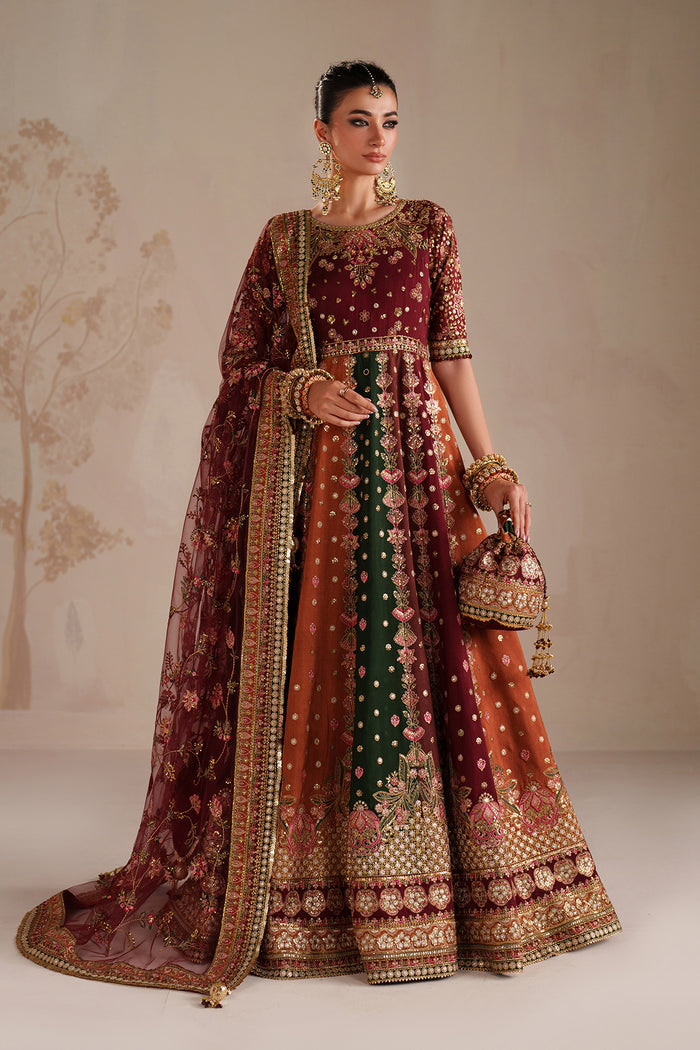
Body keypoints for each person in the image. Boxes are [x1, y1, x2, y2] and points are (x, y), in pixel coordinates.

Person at [17, 60, 620, 1004]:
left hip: (420, 474)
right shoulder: (286, 242)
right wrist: (300, 390)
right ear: (322, 133)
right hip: (323, 488)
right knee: (328, 660)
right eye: (359, 120)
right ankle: (313, 894)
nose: (379, 137)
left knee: (443, 660)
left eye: (390, 120)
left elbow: (452, 356)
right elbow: (240, 362)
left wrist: (491, 465)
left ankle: (467, 890)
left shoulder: (431, 226)